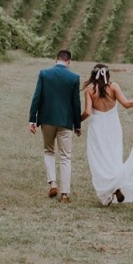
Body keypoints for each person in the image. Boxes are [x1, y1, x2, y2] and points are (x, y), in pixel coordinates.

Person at [81, 63, 133, 206]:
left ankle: (111, 188)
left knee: (100, 158)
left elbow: (87, 112)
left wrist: (76, 121)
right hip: (113, 126)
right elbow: (127, 104)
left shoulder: (90, 90)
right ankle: (116, 186)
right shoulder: (114, 87)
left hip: (97, 127)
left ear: (93, 75)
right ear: (107, 75)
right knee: (114, 156)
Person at [28, 50, 81, 203]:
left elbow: (37, 96)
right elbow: (76, 103)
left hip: (47, 119)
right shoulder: (74, 78)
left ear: (55, 59)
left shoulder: (44, 74)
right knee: (65, 156)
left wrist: (32, 119)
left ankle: (53, 182)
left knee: (49, 151)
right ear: (69, 62)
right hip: (65, 121)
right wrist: (77, 125)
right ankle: (65, 194)